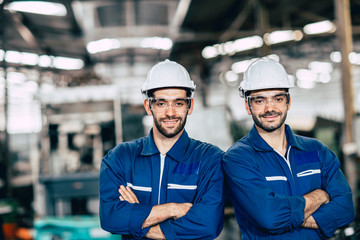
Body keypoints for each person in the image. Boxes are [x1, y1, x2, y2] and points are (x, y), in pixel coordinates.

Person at [222, 57, 355, 239]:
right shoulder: (237, 158)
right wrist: (319, 196)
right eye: (260, 100)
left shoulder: (317, 151)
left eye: (277, 98)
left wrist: (285, 214)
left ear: (288, 102)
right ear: (248, 105)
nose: (270, 108)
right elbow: (270, 217)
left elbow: (346, 209)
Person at [99, 59, 225, 239]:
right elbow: (110, 217)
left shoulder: (209, 159)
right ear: (148, 106)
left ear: (190, 106)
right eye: (161, 103)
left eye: (179, 103)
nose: (170, 112)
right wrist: (173, 209)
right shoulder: (121, 157)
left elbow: (208, 224)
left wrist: (138, 222)